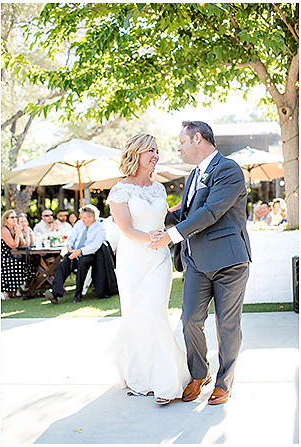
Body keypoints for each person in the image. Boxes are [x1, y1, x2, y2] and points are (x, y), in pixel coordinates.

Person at [149, 120, 251, 406]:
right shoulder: (193, 175)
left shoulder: (228, 169)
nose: (178, 148)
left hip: (229, 261)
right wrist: (157, 217)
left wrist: (171, 236)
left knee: (227, 324)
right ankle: (199, 374)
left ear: (197, 138)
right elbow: (187, 213)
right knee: (190, 320)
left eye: (181, 141)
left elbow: (211, 211)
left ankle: (224, 381)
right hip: (195, 260)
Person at [106, 133, 190, 405]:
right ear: (136, 154)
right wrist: (154, 240)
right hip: (133, 261)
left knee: (155, 313)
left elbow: (163, 218)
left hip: (159, 260)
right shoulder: (120, 190)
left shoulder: (159, 189)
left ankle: (165, 382)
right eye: (150, 150)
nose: (156, 155)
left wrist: (189, 202)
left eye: (157, 150)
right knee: (137, 316)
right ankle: (139, 373)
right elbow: (127, 229)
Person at [45, 205, 106, 304]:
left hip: (89, 254)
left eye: (84, 218)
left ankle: (78, 293)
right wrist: (69, 246)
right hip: (74, 252)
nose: (82, 220)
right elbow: (72, 238)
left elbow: (96, 245)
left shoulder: (100, 228)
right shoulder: (79, 224)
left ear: (92, 218)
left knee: (82, 263)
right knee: (63, 263)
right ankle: (55, 293)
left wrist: (80, 251)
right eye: (81, 217)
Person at [0, 210, 31, 300]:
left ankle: (16, 290)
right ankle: (6, 292)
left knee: (28, 262)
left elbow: (24, 245)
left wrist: (23, 233)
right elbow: (13, 245)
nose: (15, 219)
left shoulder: (15, 228)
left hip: (13, 256)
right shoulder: (4, 229)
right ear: (6, 219)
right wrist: (17, 234)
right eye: (12, 217)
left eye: (15, 217)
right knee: (16, 263)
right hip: (4, 256)